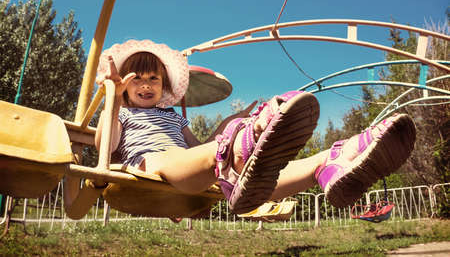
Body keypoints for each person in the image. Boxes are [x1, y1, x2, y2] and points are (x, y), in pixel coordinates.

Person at [94, 39, 416, 214]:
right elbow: (103, 149)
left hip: (185, 172)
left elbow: (198, 149)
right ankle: (238, 148)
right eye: (137, 78)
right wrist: (112, 98)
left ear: (163, 85)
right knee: (199, 157)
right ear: (124, 83)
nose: (146, 85)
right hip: (147, 168)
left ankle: (330, 161)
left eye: (154, 79)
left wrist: (232, 121)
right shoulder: (121, 113)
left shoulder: (174, 118)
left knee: (258, 177)